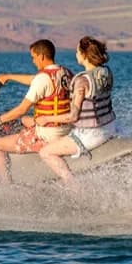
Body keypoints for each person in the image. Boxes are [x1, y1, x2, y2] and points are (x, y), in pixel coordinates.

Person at [0, 39, 73, 185]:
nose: (33, 61)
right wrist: (8, 76)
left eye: (33, 57)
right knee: (24, 120)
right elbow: (35, 80)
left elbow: (21, 109)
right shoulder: (65, 72)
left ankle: (6, 186)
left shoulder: (42, 79)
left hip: (48, 135)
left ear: (41, 56)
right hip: (66, 128)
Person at [34, 36, 117, 184]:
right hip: (110, 127)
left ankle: (73, 186)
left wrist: (46, 119)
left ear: (85, 54)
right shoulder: (105, 72)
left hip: (91, 135)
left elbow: (72, 117)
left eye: (77, 51)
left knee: (45, 152)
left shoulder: (81, 81)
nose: (76, 54)